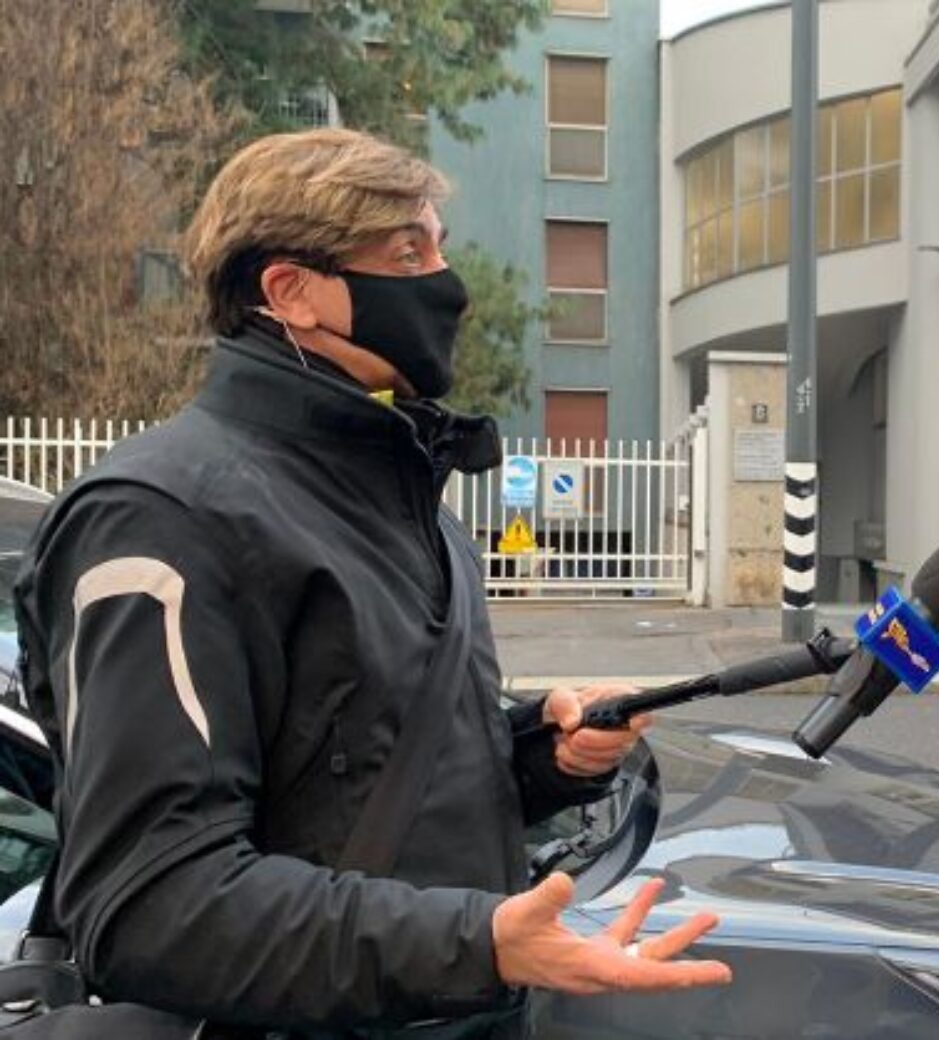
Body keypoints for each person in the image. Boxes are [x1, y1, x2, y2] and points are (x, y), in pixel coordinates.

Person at [11, 129, 731, 1037]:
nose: (448, 282)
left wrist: (541, 758)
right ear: (290, 292)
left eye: (439, 245)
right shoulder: (158, 517)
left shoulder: (411, 500)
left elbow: (358, 782)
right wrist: (480, 942)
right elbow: (156, 904)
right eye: (409, 253)